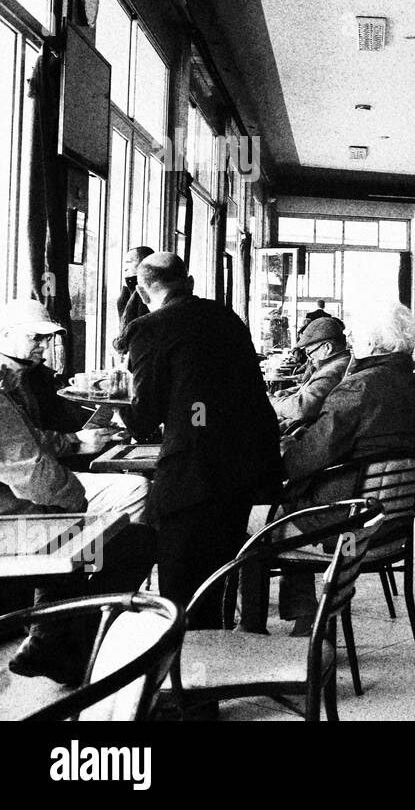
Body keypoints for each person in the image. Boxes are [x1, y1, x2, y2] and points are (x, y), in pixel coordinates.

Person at [250, 302, 415, 633]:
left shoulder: (358, 387)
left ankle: (254, 629)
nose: (349, 342)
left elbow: (299, 464)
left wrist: (289, 444)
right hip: (389, 525)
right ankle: (304, 618)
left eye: (354, 336)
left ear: (371, 343)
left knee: (250, 520)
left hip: (344, 523)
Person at [119, 253, 282, 628]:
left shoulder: (149, 327)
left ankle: (185, 669)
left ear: (143, 293)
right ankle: (218, 650)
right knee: (219, 566)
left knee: (180, 580)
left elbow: (144, 418)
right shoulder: (226, 318)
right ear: (189, 282)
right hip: (249, 464)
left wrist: (117, 403)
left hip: (195, 471)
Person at [1, 362, 155, 684]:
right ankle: (71, 644)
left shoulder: (19, 384)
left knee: (76, 536)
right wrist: (76, 500)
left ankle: (51, 637)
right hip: (11, 531)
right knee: (134, 541)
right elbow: (32, 474)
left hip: (18, 519)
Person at [0, 300, 85, 438]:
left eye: (48, 337)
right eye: (37, 337)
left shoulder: (36, 373)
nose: (45, 345)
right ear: (6, 334)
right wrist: (76, 441)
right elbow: (18, 444)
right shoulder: (4, 380)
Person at [271, 317, 351, 434]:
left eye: (309, 352)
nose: (309, 357)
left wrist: (272, 401)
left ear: (327, 347)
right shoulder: (337, 363)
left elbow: (302, 408)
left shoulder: (333, 370)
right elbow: (314, 386)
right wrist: (288, 393)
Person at [112, 246, 154, 352]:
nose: (125, 268)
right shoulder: (129, 290)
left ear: (144, 263)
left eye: (129, 262)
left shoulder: (145, 292)